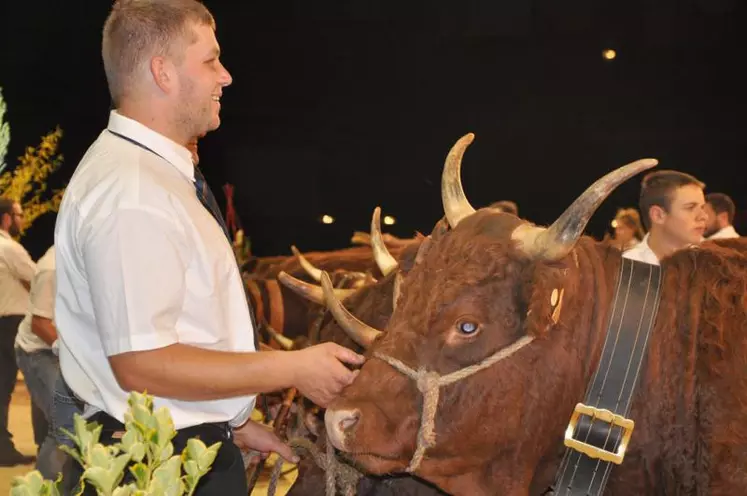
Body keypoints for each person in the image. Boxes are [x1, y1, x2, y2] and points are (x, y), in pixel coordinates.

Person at [54, 1, 364, 492]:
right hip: (153, 465)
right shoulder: (134, 191)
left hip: (173, 450)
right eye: (210, 60)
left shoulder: (151, 176)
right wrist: (293, 367)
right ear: (163, 72)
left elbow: (180, 331)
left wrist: (230, 424)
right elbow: (141, 362)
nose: (226, 76)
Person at [14, 245, 67, 478]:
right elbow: (41, 324)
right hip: (38, 350)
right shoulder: (52, 267)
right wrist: (75, 355)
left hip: (57, 349)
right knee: (65, 424)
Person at [0, 198, 36, 466]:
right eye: (19, 214)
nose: (22, 220)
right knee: (6, 388)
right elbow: (39, 279)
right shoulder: (9, 248)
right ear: (7, 218)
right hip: (11, 324)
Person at [623, 170, 707, 265]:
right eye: (690, 208)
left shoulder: (711, 264)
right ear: (658, 215)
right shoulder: (627, 269)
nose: (704, 216)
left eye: (702, 208)